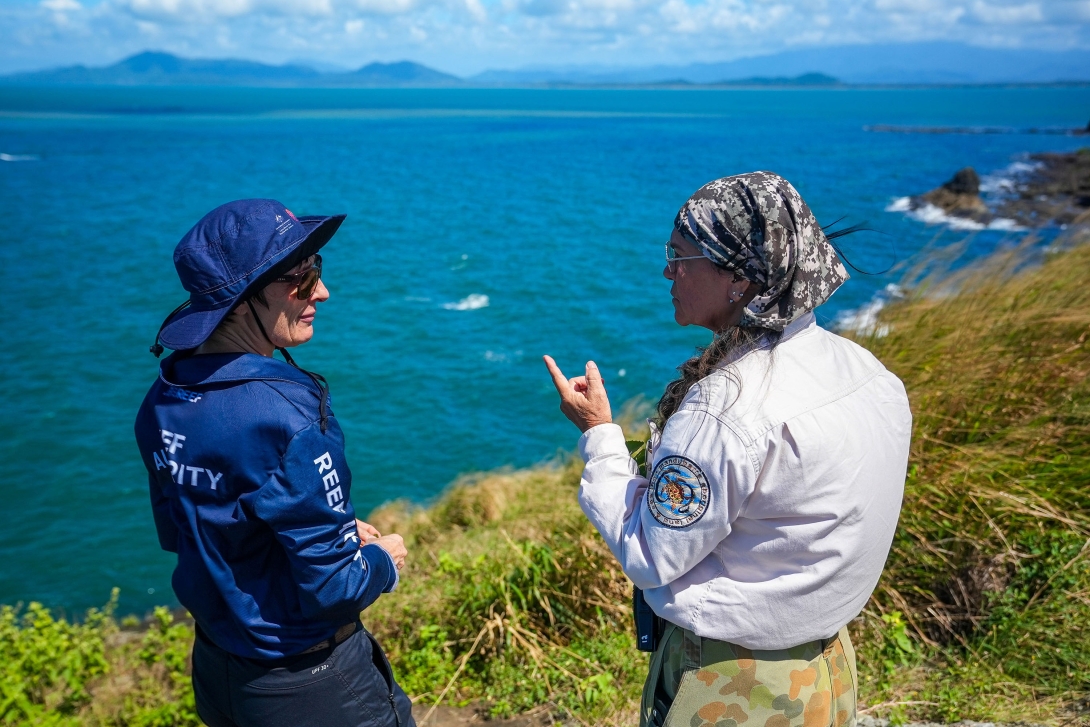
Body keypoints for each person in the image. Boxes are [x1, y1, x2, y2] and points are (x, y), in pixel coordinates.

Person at [544, 172, 912, 727]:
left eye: (680, 255)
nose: (667, 270)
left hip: (734, 682)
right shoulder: (866, 372)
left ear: (736, 277)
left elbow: (651, 554)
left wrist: (599, 433)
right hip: (827, 668)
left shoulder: (727, 407)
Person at [134, 199, 416, 727]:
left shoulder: (162, 399)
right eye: (300, 278)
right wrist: (383, 560)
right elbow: (336, 588)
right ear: (241, 301)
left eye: (317, 270)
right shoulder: (288, 419)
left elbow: (190, 530)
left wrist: (314, 523)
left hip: (219, 673)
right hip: (313, 687)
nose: (321, 291)